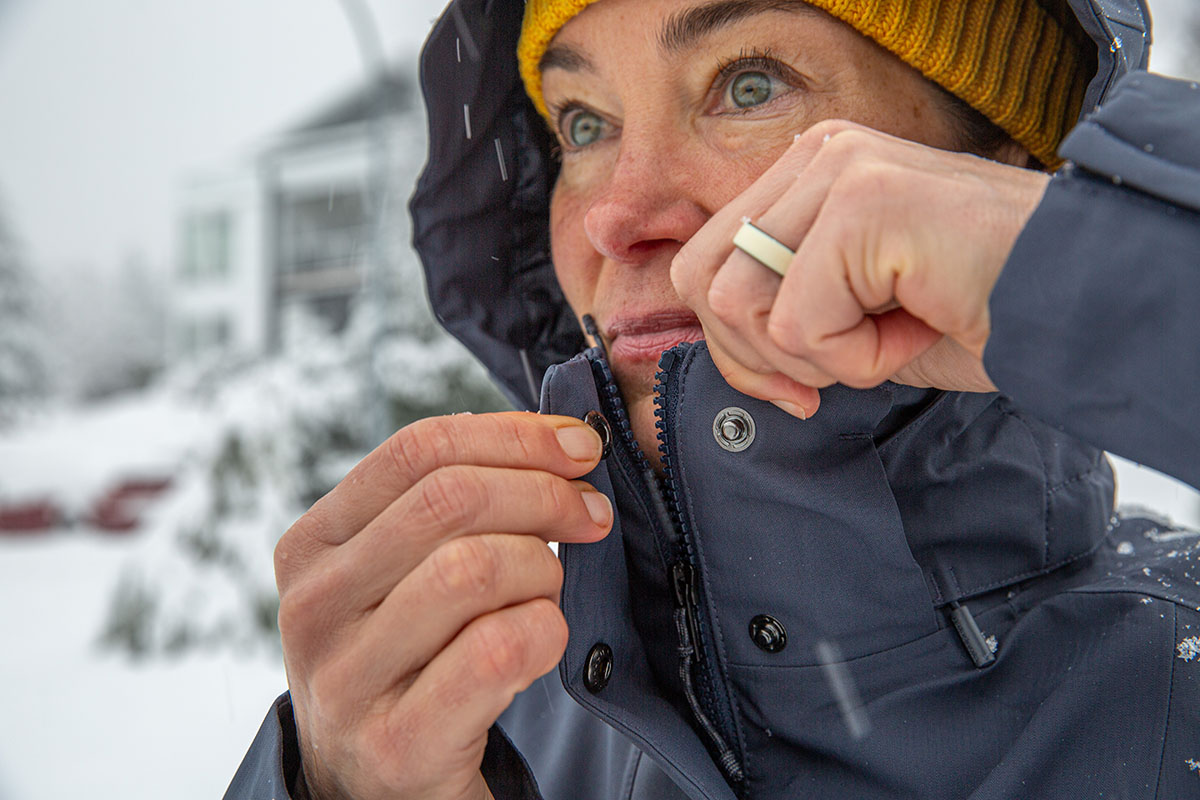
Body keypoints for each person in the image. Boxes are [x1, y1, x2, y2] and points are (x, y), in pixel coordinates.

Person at [227, 0, 1200, 798]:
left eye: (749, 83)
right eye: (583, 123)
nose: (615, 216)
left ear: (1001, 166)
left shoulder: (1178, 676)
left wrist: (1097, 274)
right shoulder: (476, 723)